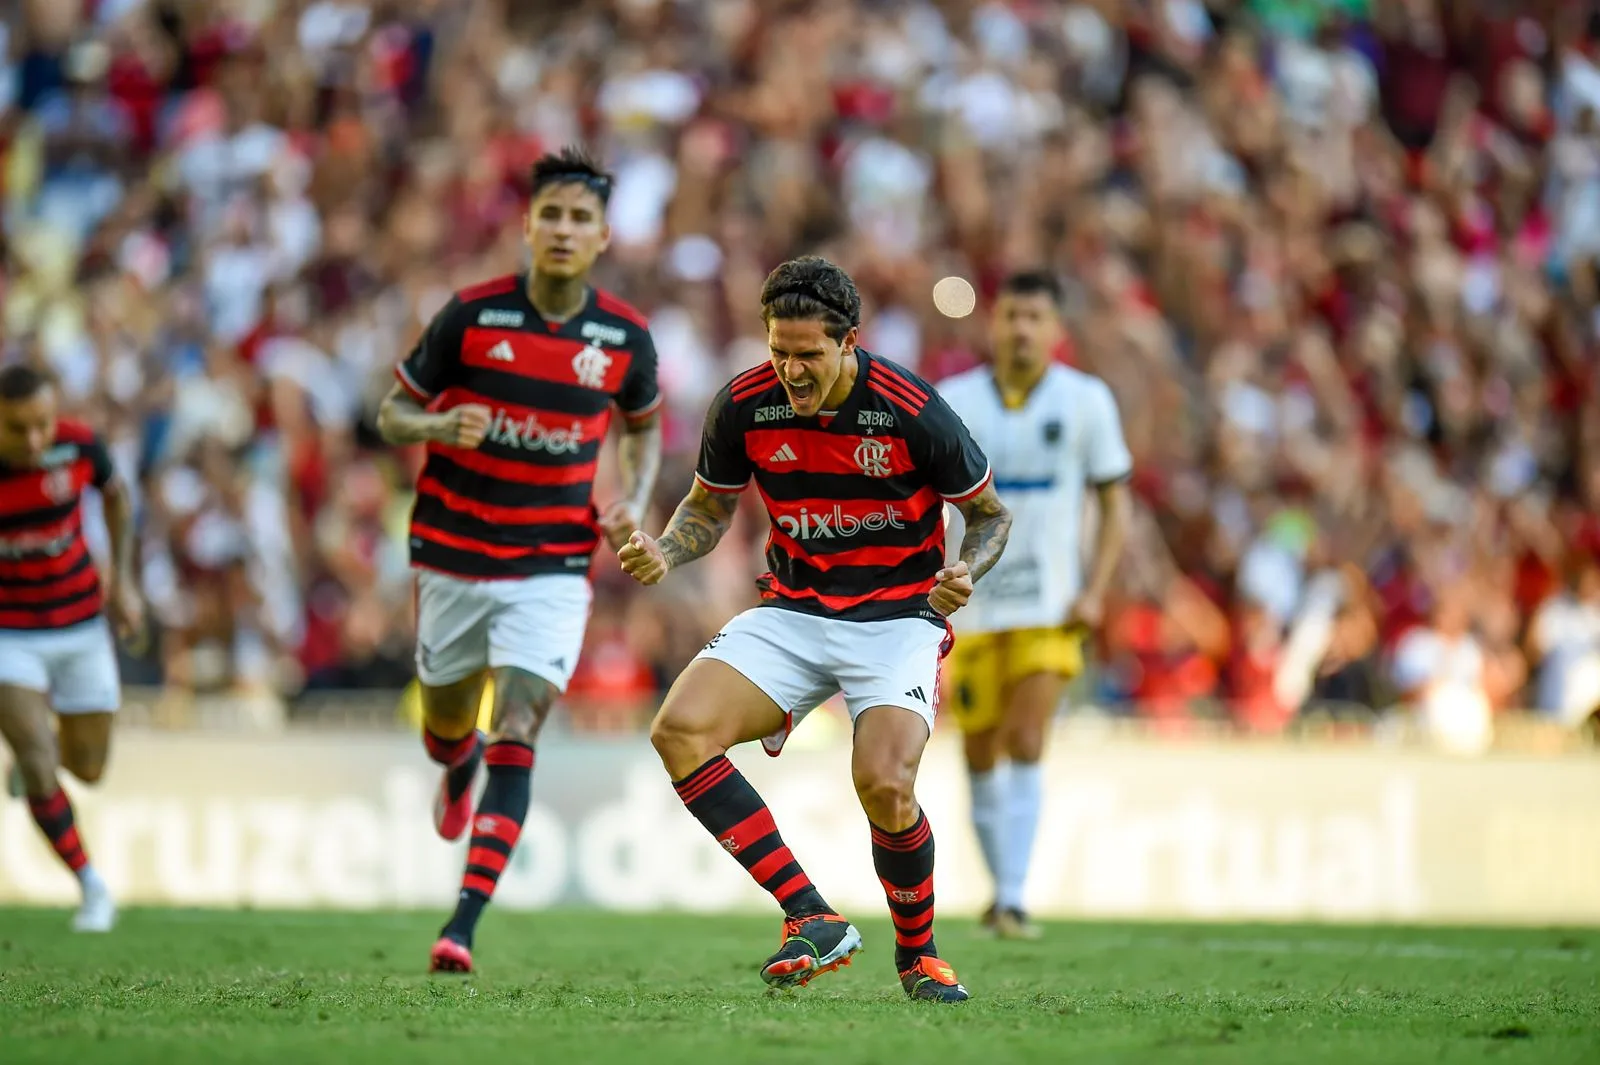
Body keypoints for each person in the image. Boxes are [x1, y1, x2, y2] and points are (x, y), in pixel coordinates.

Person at [619, 256, 1011, 1003]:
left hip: (899, 615)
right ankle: (810, 913)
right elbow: (708, 507)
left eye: (808, 354)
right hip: (795, 609)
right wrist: (667, 549)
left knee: (885, 784)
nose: (791, 370)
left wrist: (967, 569)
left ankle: (919, 956)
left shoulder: (909, 407)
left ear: (850, 341)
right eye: (779, 351)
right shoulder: (743, 403)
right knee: (678, 731)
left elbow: (990, 515)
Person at [376, 148, 662, 973]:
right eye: (552, 215)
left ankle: (461, 923)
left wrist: (632, 504)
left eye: (580, 218)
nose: (564, 230)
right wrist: (437, 427)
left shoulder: (623, 338)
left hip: (550, 563)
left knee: (521, 723)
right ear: (527, 226)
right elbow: (393, 411)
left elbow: (642, 427)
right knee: (448, 725)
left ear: (604, 235)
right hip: (452, 555)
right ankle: (452, 761)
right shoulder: (470, 317)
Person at [936, 270, 1132, 940]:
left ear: (1057, 330)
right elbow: (922, 501)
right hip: (971, 603)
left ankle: (1014, 898)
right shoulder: (954, 400)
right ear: (992, 323)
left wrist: (1097, 586)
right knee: (980, 752)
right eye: (1011, 314)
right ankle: (1000, 894)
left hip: (1051, 605)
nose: (1022, 328)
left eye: (1035, 317)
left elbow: (1113, 503)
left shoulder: (1086, 401)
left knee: (1025, 736)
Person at [0, 365, 145, 932]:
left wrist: (125, 581)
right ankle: (92, 887)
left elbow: (117, 497)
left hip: (82, 624)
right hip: (11, 633)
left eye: (41, 425)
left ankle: (38, 758)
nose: (33, 440)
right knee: (39, 762)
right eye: (16, 429)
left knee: (89, 767)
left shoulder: (80, 445)